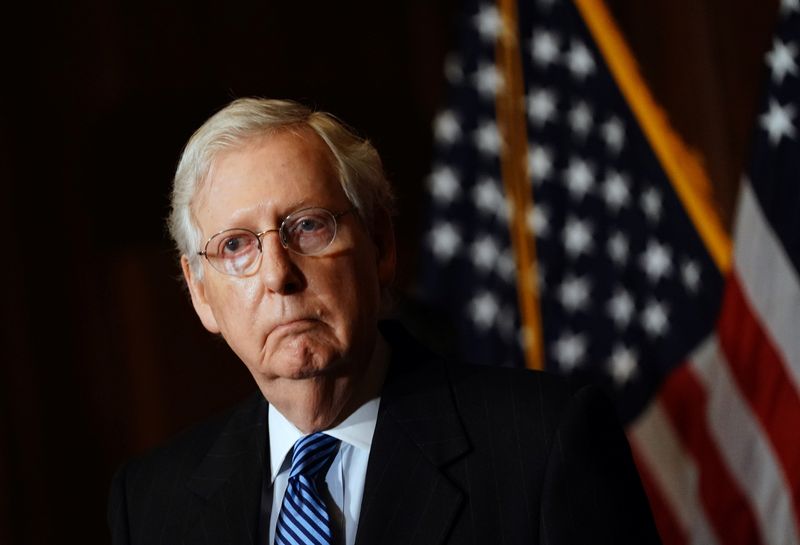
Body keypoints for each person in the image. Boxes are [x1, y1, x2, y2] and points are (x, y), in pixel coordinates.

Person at [108, 97, 662, 545]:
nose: (279, 275)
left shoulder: (544, 444)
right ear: (201, 293)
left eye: (308, 227)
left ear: (381, 245)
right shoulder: (152, 503)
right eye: (235, 246)